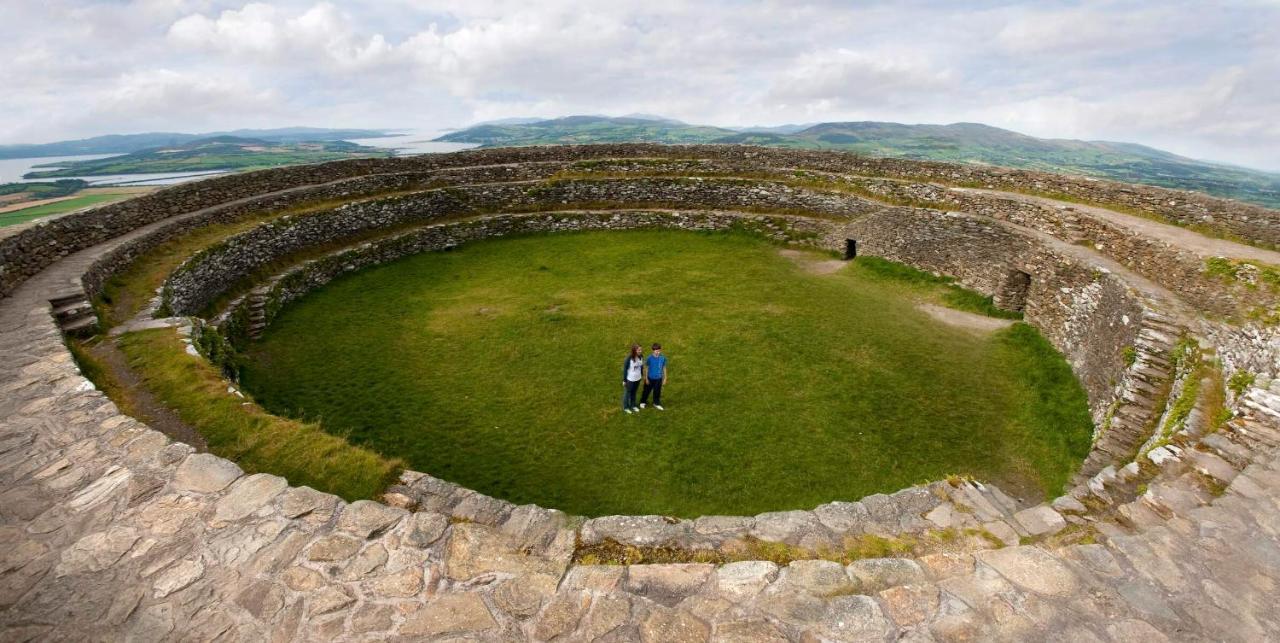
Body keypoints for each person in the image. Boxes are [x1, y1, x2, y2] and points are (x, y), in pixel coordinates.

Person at [639, 342, 668, 410]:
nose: (658, 352)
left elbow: (664, 368)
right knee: (646, 391)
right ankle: (642, 402)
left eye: (659, 351)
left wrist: (665, 378)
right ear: (653, 350)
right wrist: (646, 378)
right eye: (656, 351)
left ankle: (656, 403)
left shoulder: (663, 358)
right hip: (650, 378)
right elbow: (647, 368)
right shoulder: (649, 358)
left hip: (659, 378)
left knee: (657, 391)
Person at [622, 344, 643, 414]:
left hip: (638, 378)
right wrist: (624, 380)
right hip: (630, 379)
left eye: (641, 349)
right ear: (635, 350)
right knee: (627, 393)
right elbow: (625, 369)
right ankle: (626, 407)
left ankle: (633, 405)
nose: (640, 351)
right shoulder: (629, 358)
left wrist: (641, 375)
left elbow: (641, 367)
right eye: (639, 350)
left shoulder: (641, 356)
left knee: (634, 392)